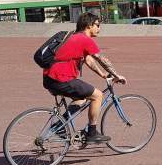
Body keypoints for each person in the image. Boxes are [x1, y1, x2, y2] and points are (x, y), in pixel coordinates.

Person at [43, 12, 127, 143]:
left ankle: (59, 126)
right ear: (89, 25)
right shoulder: (85, 39)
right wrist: (117, 75)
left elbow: (89, 60)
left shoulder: (73, 36)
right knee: (98, 95)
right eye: (98, 25)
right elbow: (101, 59)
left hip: (50, 78)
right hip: (62, 78)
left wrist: (104, 75)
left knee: (81, 99)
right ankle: (92, 133)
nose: (99, 29)